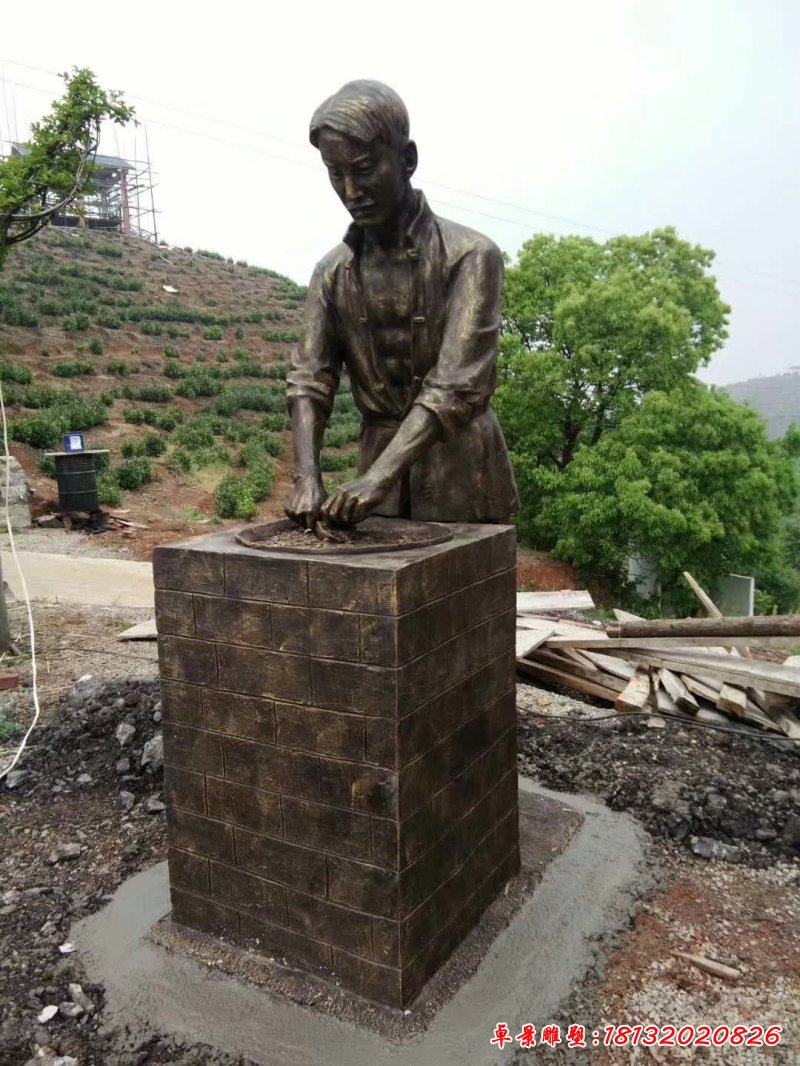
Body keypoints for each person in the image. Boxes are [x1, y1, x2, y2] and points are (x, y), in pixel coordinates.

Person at [285, 79, 518, 528]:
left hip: (462, 480)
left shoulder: (471, 256)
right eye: (336, 173)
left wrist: (378, 478)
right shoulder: (331, 272)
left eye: (364, 169)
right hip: (376, 490)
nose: (351, 190)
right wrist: (307, 478)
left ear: (407, 159)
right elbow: (310, 379)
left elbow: (455, 386)